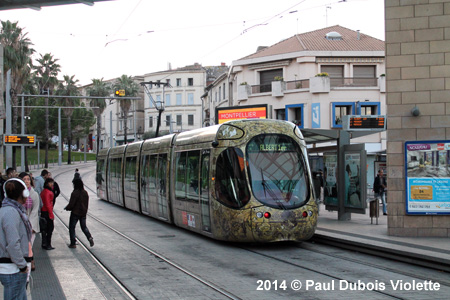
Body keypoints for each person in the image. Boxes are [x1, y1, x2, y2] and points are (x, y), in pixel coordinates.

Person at [0, 178, 32, 300]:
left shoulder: (6, 210)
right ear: (24, 194)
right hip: (13, 270)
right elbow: (13, 243)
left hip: (12, 269)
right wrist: (22, 265)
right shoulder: (11, 212)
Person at [18, 172, 40, 273]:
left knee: (28, 245)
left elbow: (35, 210)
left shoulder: (34, 194)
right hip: (19, 224)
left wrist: (30, 225)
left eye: (28, 179)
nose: (26, 181)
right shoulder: (18, 194)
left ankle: (29, 264)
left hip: (30, 225)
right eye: (24, 179)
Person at [65, 178, 94, 248]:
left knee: (72, 227)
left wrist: (67, 208)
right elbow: (86, 203)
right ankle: (89, 237)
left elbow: (71, 204)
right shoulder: (85, 192)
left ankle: (73, 243)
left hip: (75, 212)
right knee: (84, 227)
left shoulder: (75, 193)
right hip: (83, 213)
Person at [40, 178, 55, 250]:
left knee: (45, 229)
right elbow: (48, 204)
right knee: (50, 228)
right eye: (50, 183)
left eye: (52, 183)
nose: (52, 184)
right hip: (47, 212)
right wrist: (51, 214)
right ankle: (47, 244)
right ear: (47, 184)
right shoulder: (47, 192)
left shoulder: (44, 191)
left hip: (44, 212)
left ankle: (44, 243)